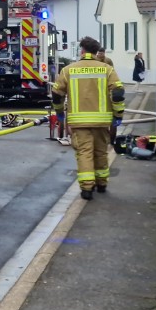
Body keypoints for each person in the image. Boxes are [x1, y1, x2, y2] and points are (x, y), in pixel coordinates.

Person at [52, 37, 126, 200]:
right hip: (102, 121)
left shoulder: (68, 70)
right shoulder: (107, 69)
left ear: (82, 50)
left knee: (85, 152)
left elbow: (57, 94)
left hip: (79, 122)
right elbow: (118, 93)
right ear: (96, 51)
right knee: (101, 152)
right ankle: (102, 183)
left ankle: (87, 188)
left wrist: (59, 112)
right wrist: (118, 115)